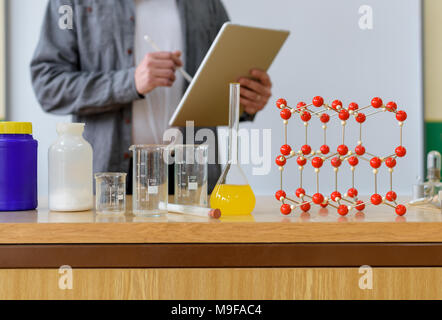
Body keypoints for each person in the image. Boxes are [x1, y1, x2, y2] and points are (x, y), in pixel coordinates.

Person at [31, 0, 272, 194]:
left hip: (193, 181)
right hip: (108, 183)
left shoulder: (207, 4)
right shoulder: (70, 4)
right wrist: (130, 82)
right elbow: (48, 86)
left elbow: (221, 81)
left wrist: (246, 101)